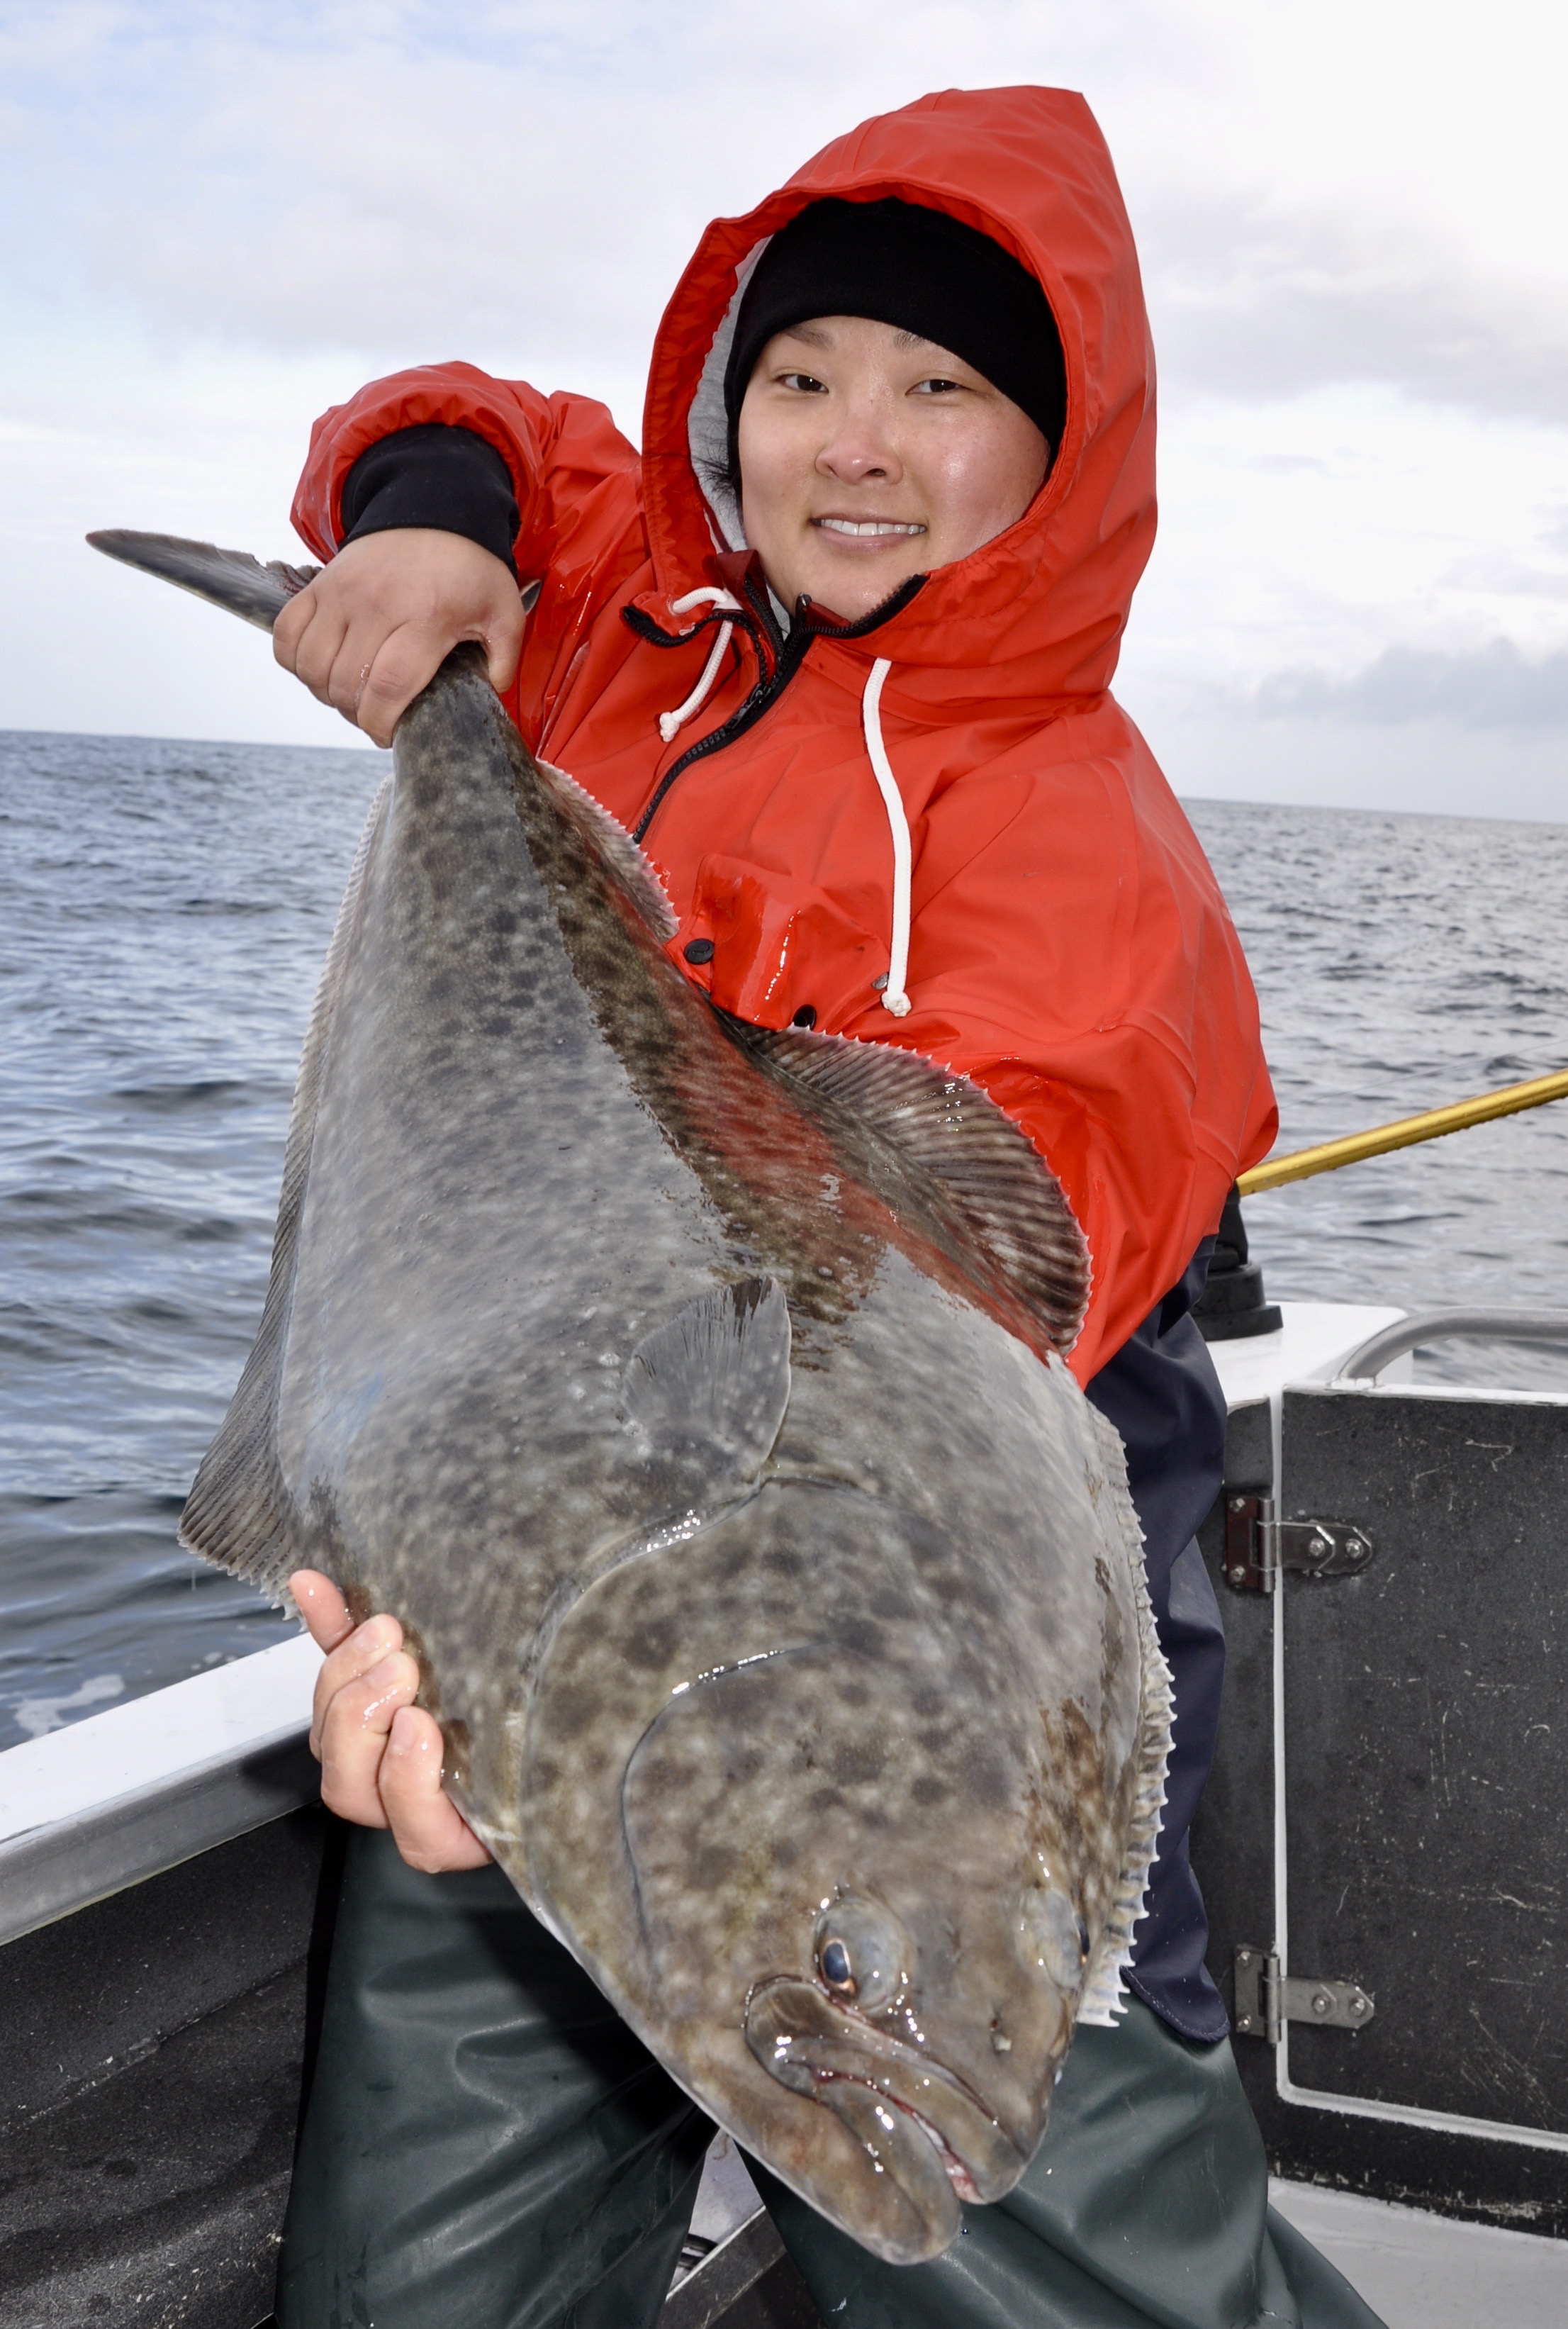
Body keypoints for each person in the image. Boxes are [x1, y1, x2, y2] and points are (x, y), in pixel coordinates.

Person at [269, 85, 1383, 2329]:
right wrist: (435, 532)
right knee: (419, 2263)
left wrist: (610, 1660)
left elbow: (977, 1265)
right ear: (731, 414)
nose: (854, 444)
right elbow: (477, 426)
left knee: (1028, 2168)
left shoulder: (1086, 836)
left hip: (963, 1562)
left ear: (1058, 450)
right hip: (560, 1519)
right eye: (799, 378)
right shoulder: (634, 617)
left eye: (939, 389)